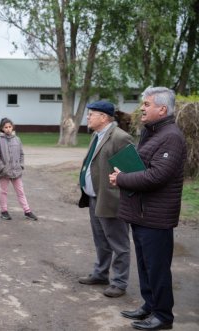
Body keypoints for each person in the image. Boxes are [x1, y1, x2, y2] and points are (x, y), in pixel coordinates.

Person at [110, 87, 186, 330]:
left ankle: (163, 316)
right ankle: (149, 305)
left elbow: (156, 176)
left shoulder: (171, 136)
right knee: (145, 265)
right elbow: (143, 166)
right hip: (142, 214)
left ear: (162, 109)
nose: (142, 108)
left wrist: (121, 179)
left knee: (157, 268)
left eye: (147, 104)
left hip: (156, 216)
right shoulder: (152, 133)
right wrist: (124, 172)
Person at [75, 102, 133, 298]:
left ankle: (119, 282)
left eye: (91, 114)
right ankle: (100, 274)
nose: (88, 118)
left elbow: (132, 171)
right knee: (100, 240)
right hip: (94, 198)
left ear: (104, 117)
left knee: (119, 243)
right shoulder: (96, 135)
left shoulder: (120, 138)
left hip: (111, 200)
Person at [0, 118, 38, 221]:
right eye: (6, 127)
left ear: (12, 127)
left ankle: (27, 211)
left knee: (20, 191)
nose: (8, 129)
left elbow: (21, 154)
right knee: (3, 191)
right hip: (4, 172)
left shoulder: (17, 139)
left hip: (16, 171)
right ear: (2, 128)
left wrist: (21, 165)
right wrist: (2, 168)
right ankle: (4, 211)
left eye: (10, 127)